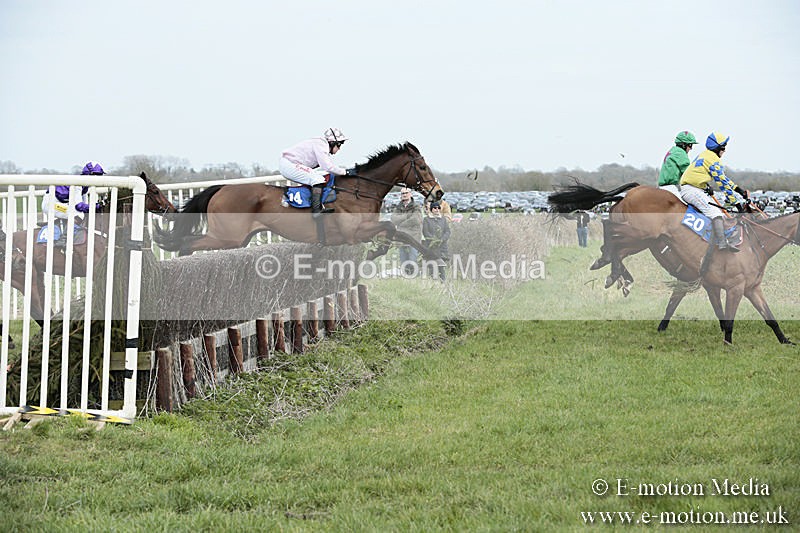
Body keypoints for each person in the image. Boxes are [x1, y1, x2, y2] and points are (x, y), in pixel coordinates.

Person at [679, 132, 748, 252]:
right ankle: (722, 244)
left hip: (694, 188)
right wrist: (736, 204)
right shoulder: (713, 160)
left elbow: (724, 179)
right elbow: (722, 184)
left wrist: (738, 190)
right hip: (691, 189)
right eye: (723, 147)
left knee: (719, 213)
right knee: (715, 213)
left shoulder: (706, 155)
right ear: (717, 148)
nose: (724, 150)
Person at [278, 128, 353, 217]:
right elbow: (328, 167)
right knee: (318, 179)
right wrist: (345, 172)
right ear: (332, 143)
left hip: (290, 164)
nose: (339, 149)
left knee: (316, 178)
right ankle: (316, 210)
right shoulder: (321, 145)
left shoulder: (321, 145)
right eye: (339, 145)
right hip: (289, 164)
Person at [41, 161, 106, 245]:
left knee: (82, 214)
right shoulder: (78, 184)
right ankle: (64, 239)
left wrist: (93, 207)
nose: (98, 179)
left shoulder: (85, 186)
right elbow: (78, 206)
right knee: (76, 213)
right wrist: (95, 207)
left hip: (60, 204)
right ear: (89, 174)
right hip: (50, 204)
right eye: (97, 175)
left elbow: (84, 206)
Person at [391, 187, 423, 275]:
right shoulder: (398, 207)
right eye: (402, 193)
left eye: (406, 193)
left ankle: (414, 279)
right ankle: (406, 279)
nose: (404, 195)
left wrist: (401, 223)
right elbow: (393, 219)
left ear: (410, 194)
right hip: (402, 238)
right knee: (403, 261)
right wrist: (406, 216)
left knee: (413, 260)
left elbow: (415, 220)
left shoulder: (416, 206)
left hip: (413, 237)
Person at [658, 131, 698, 197]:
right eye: (690, 145)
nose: (691, 148)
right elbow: (688, 173)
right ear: (683, 145)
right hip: (671, 188)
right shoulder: (681, 153)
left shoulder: (673, 150)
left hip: (663, 187)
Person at [422, 201, 451, 280]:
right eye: (435, 208)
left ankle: (443, 283)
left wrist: (442, 239)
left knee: (441, 268)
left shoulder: (443, 219)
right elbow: (425, 232)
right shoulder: (426, 219)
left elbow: (447, 231)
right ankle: (432, 284)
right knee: (432, 267)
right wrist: (433, 240)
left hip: (442, 247)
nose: (437, 209)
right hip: (431, 247)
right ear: (431, 209)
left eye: (438, 208)